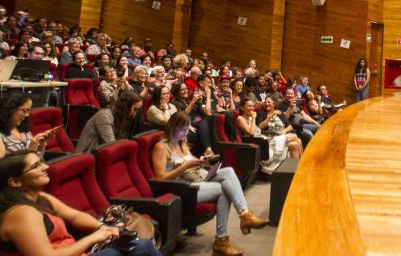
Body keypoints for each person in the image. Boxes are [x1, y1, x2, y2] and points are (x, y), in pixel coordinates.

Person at [0, 150, 162, 256]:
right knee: (142, 248)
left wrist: (101, 227)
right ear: (15, 182)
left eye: (41, 162)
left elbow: (74, 216)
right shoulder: (21, 213)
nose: (45, 167)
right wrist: (93, 238)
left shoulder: (41, 198)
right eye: (35, 166)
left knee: (141, 246)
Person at [152, 112, 268, 255]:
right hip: (179, 189)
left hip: (195, 180)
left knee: (229, 171)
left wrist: (201, 161)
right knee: (224, 189)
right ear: (172, 127)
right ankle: (223, 239)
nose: (185, 132)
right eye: (182, 129)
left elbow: (190, 164)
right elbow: (160, 179)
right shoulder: (161, 147)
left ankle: (244, 215)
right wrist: (184, 167)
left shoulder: (182, 144)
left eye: (187, 129)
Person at [0, 94, 58, 166]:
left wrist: (41, 143)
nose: (27, 115)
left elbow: (38, 159)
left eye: (29, 111)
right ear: (10, 109)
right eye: (24, 111)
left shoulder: (23, 128)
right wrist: (30, 151)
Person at [239, 99, 302, 173]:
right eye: (249, 106)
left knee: (295, 144)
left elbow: (258, 131)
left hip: (266, 140)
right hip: (260, 145)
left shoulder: (250, 118)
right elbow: (252, 133)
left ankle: (297, 171)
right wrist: (253, 118)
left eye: (252, 106)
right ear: (242, 108)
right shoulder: (240, 119)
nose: (252, 108)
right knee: (294, 136)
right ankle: (300, 168)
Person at [75, 91, 142, 153]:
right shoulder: (104, 116)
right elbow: (112, 145)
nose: (135, 114)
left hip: (99, 155)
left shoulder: (121, 118)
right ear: (126, 106)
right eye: (135, 109)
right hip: (85, 157)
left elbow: (121, 142)